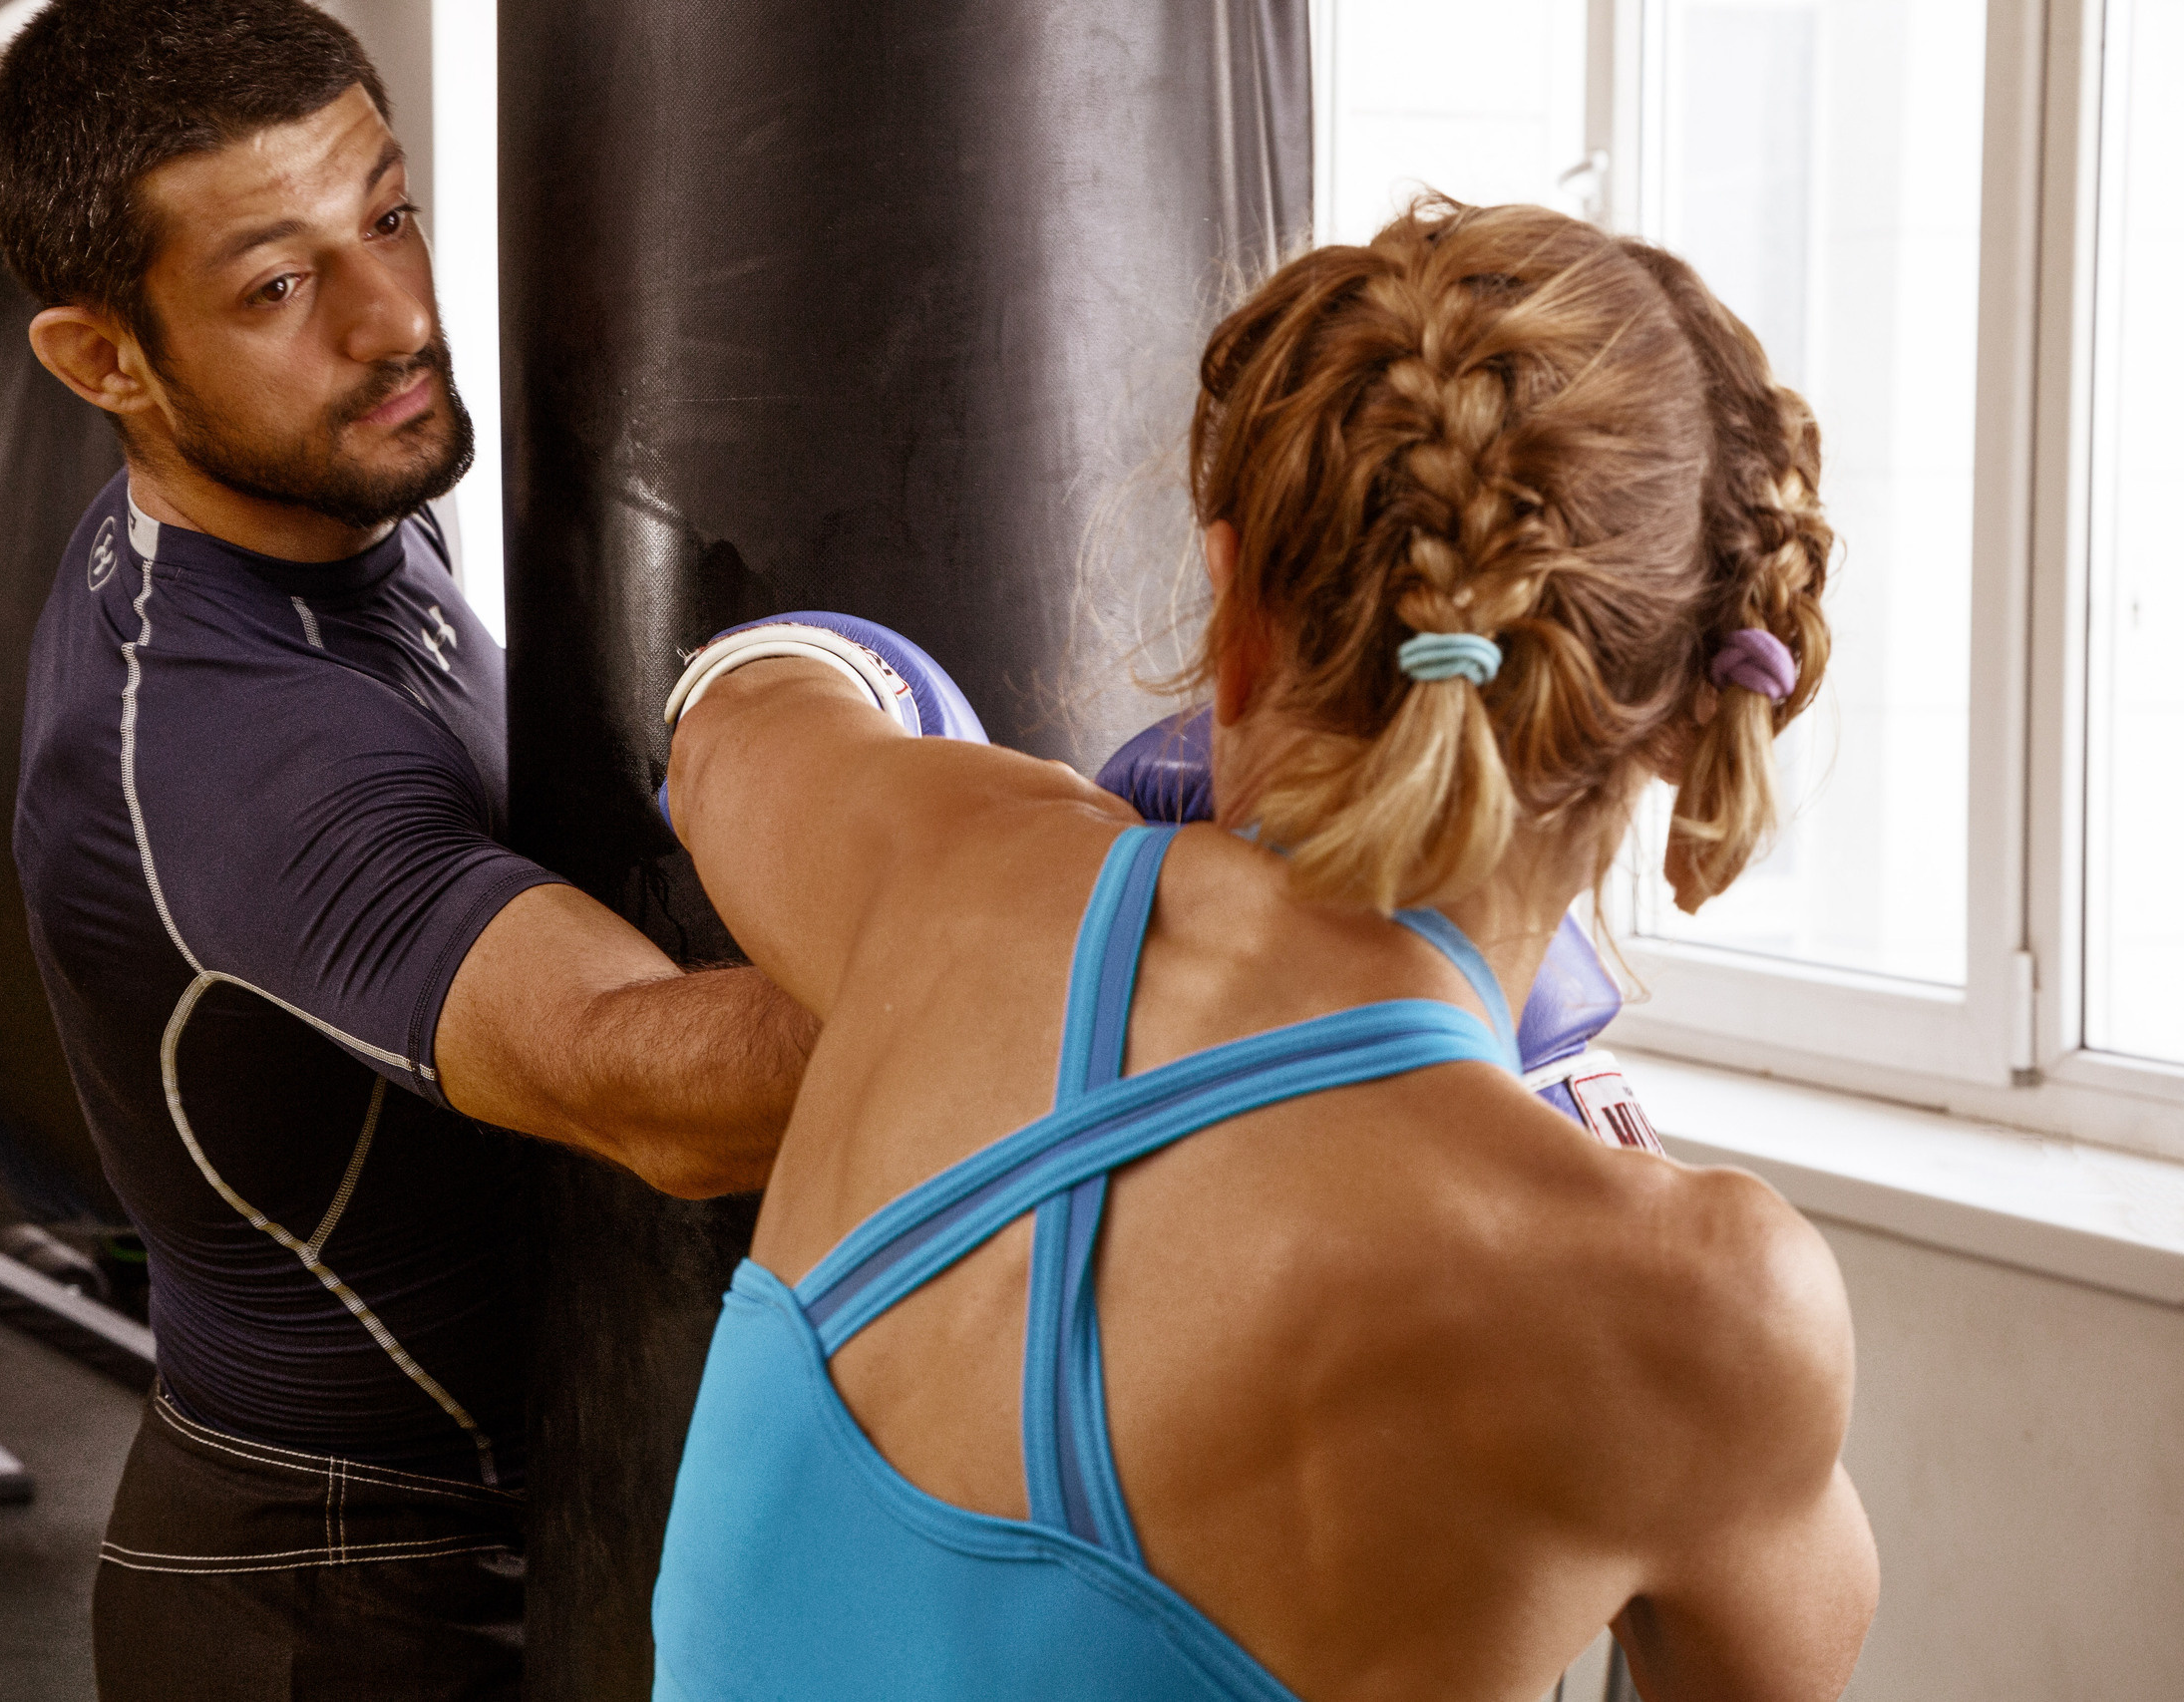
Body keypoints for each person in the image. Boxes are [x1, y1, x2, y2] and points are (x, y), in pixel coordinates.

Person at [649, 199, 1878, 1699]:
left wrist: (1014, 792)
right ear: (1691, 711)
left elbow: (731, 722)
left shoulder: (944, 876)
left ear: (1234, 610)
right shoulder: (1699, 1305)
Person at [0, 3, 815, 1697]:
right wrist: (1124, 950)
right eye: (279, 285)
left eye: (389, 213)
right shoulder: (233, 739)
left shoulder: (323, 501)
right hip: (333, 1598)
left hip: (522, 1511)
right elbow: (659, 1096)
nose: (397, 320)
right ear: (101, 361)